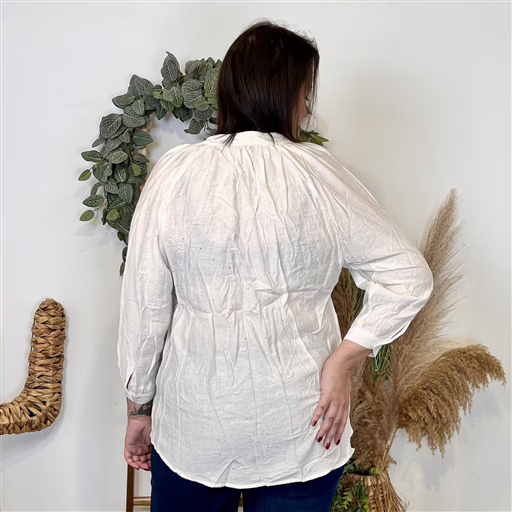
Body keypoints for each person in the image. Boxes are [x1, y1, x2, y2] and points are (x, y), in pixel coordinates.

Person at [117, 19, 434, 512]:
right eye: (307, 94)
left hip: (196, 426)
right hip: (303, 423)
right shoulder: (318, 174)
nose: (307, 108)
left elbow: (145, 304)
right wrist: (343, 361)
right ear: (291, 97)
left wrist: (139, 408)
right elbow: (408, 275)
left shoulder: (175, 175)